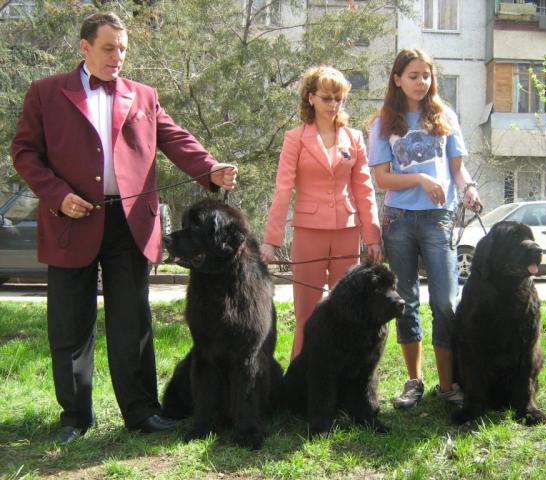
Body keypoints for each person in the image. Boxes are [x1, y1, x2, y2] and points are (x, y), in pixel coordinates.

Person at [11, 12, 237, 444]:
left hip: (129, 223)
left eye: (123, 49)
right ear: (85, 47)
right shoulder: (45, 93)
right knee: (69, 323)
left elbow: (174, 138)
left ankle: (141, 413)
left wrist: (211, 168)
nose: (118, 57)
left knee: (132, 322)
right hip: (69, 220)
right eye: (109, 48)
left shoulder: (144, 95)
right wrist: (57, 194)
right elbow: (24, 152)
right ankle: (74, 417)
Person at [367, 48, 480, 409]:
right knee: (406, 302)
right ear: (397, 79)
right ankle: (414, 381)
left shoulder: (444, 116)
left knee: (446, 301)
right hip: (398, 220)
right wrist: (418, 178)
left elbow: (458, 169)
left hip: (439, 219)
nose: (421, 82)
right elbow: (381, 177)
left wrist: (469, 188)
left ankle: (448, 385)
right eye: (413, 75)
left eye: (426, 75)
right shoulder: (384, 121)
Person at [260, 66, 382, 360]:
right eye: (327, 98)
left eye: (339, 98)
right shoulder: (295, 138)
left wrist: (373, 237)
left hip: (347, 233)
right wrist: (271, 240)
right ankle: (299, 380)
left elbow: (365, 190)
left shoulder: (353, 138)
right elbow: (282, 190)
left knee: (347, 310)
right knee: (306, 311)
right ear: (310, 98)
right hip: (308, 232)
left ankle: (345, 380)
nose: (333, 105)